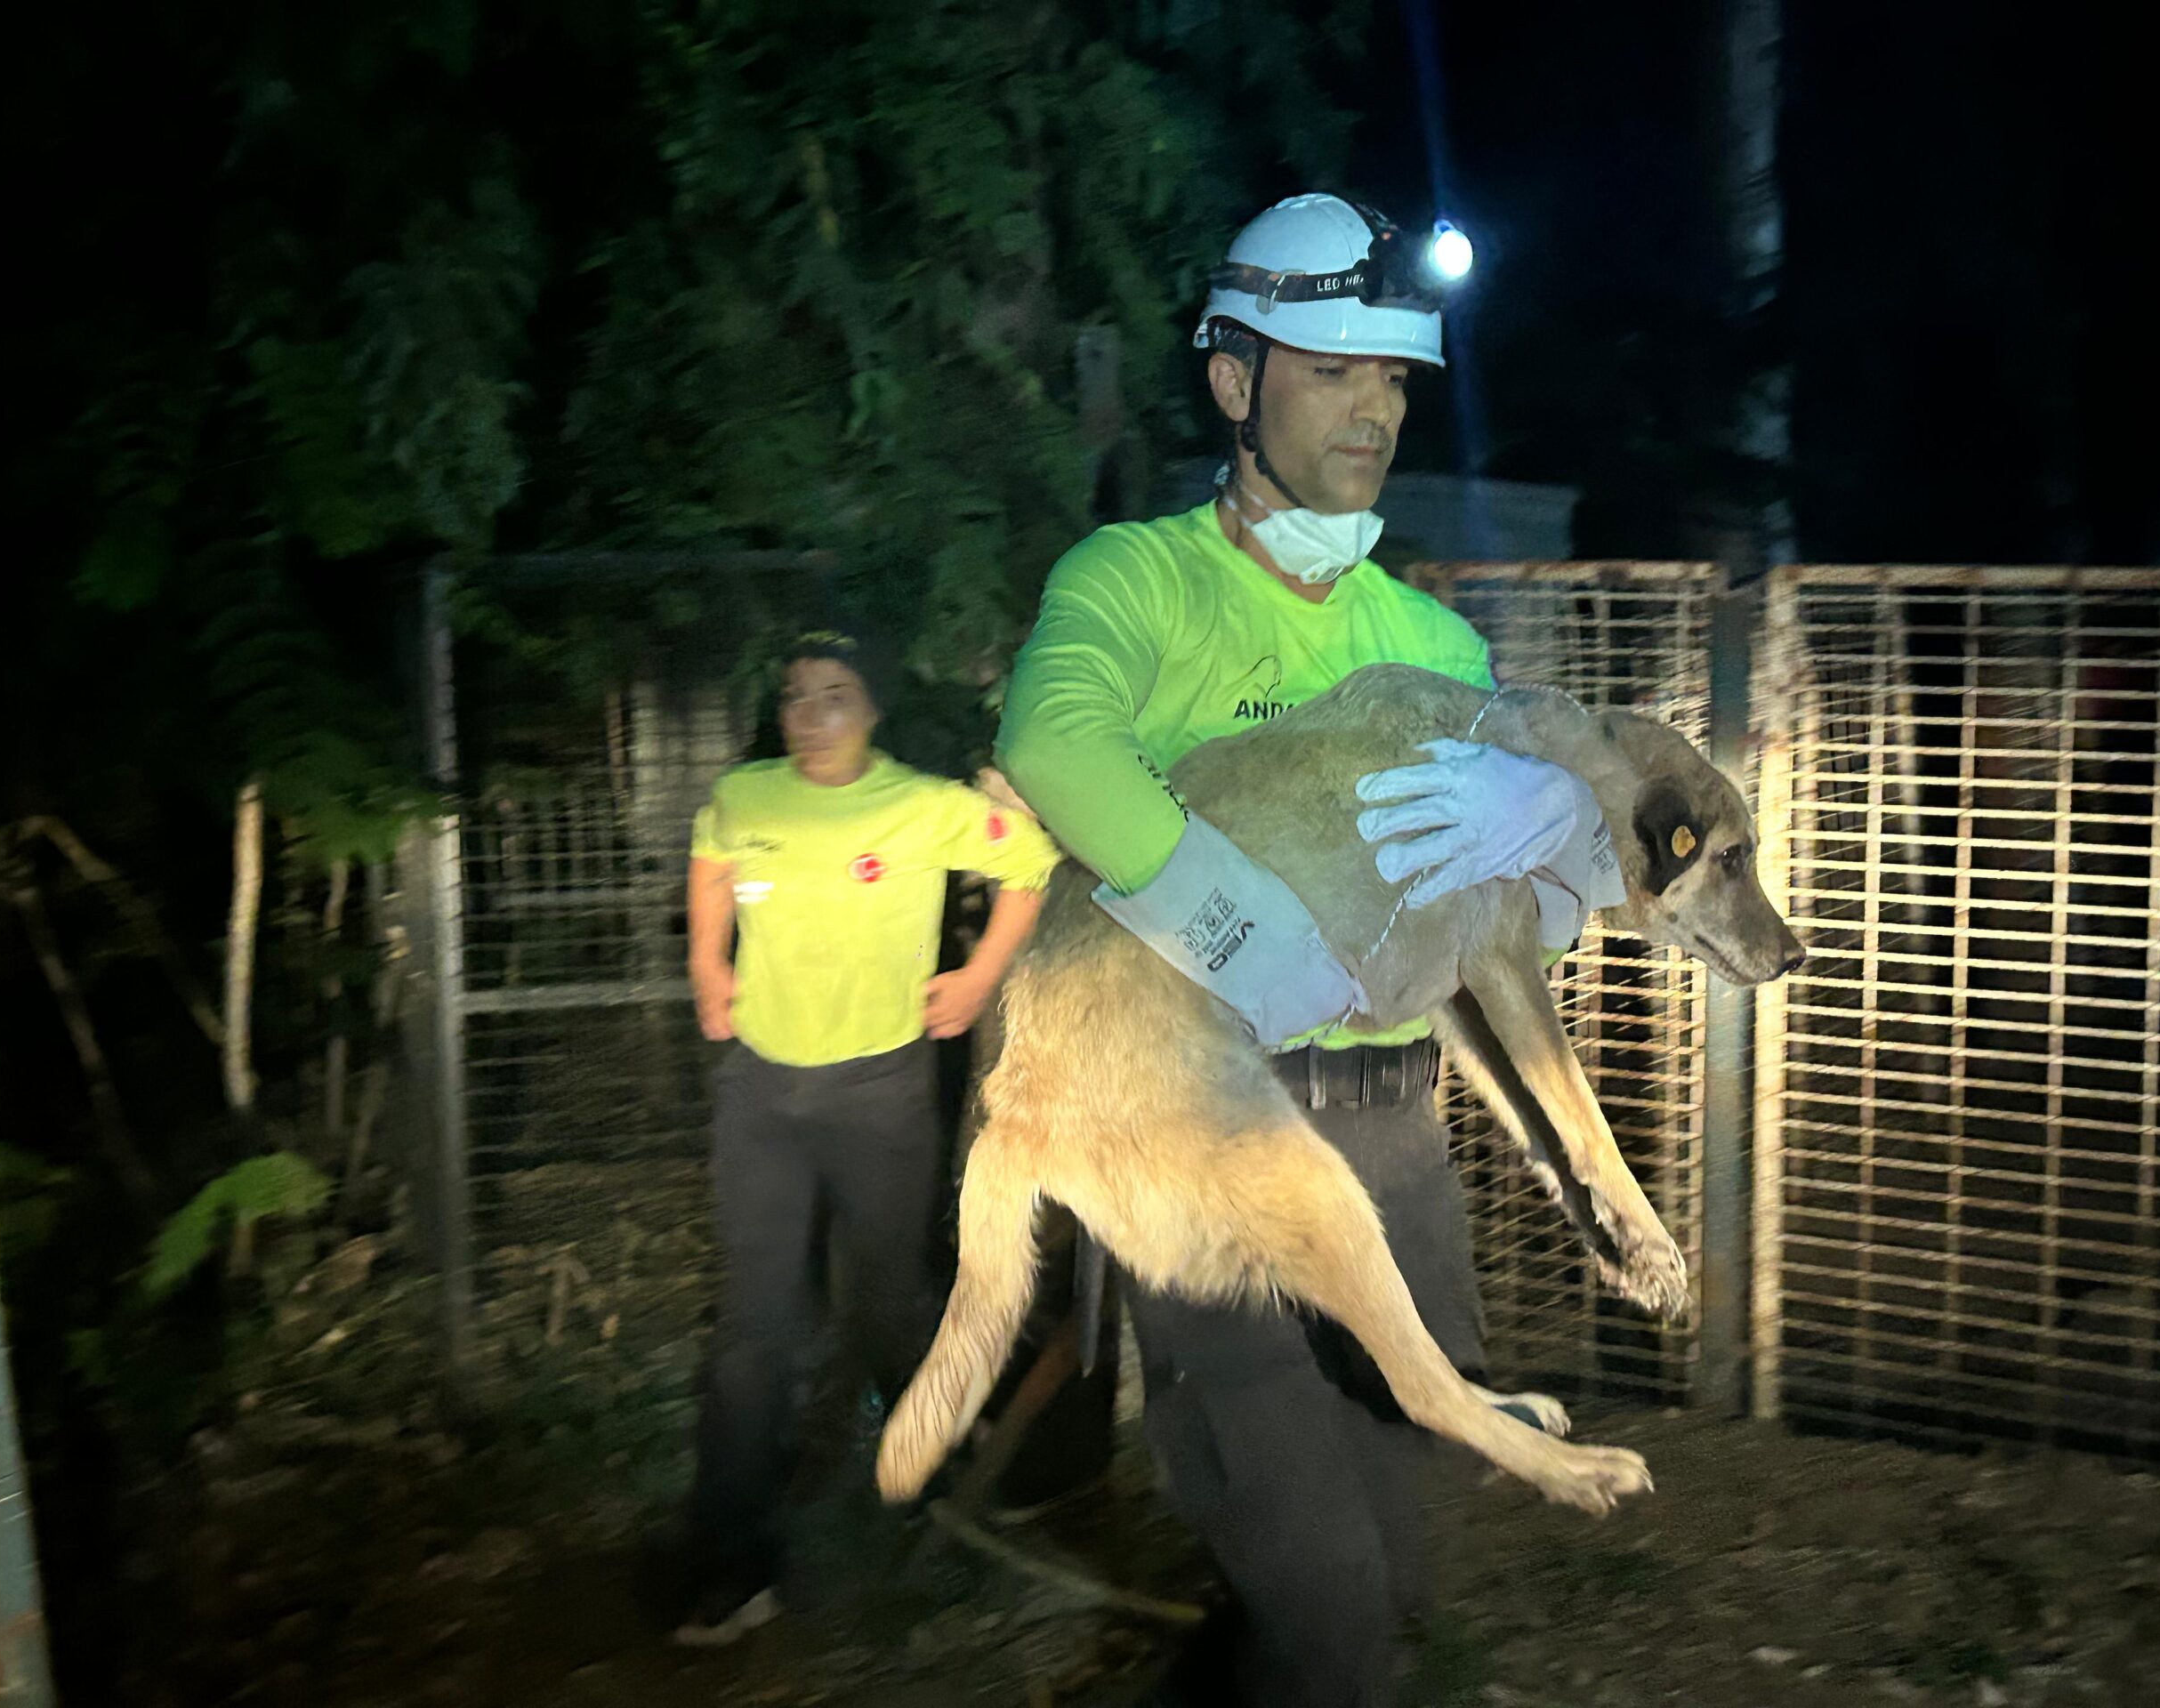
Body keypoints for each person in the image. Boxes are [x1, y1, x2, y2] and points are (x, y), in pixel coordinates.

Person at [995, 194, 1623, 1707]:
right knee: (1335, 1618)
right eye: (1332, 368)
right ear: (1233, 382)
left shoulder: (1439, 645)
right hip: (1210, 1139)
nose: (1375, 407)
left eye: (1393, 376)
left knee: (1386, 1584)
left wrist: (1552, 850)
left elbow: (1519, 929)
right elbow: (1053, 743)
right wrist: (1236, 924)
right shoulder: (1133, 582)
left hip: (1399, 1142)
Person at [675, 624, 1060, 1645]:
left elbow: (1029, 864)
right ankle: (731, 1562)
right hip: (761, 1097)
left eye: (836, 693)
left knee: (891, 1300)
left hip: (880, 1099)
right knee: (753, 1336)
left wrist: (979, 977)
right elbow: (711, 858)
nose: (813, 715)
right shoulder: (746, 796)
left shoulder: (924, 806)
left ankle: (946, 1479)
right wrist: (709, 961)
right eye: (798, 695)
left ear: (873, 707)